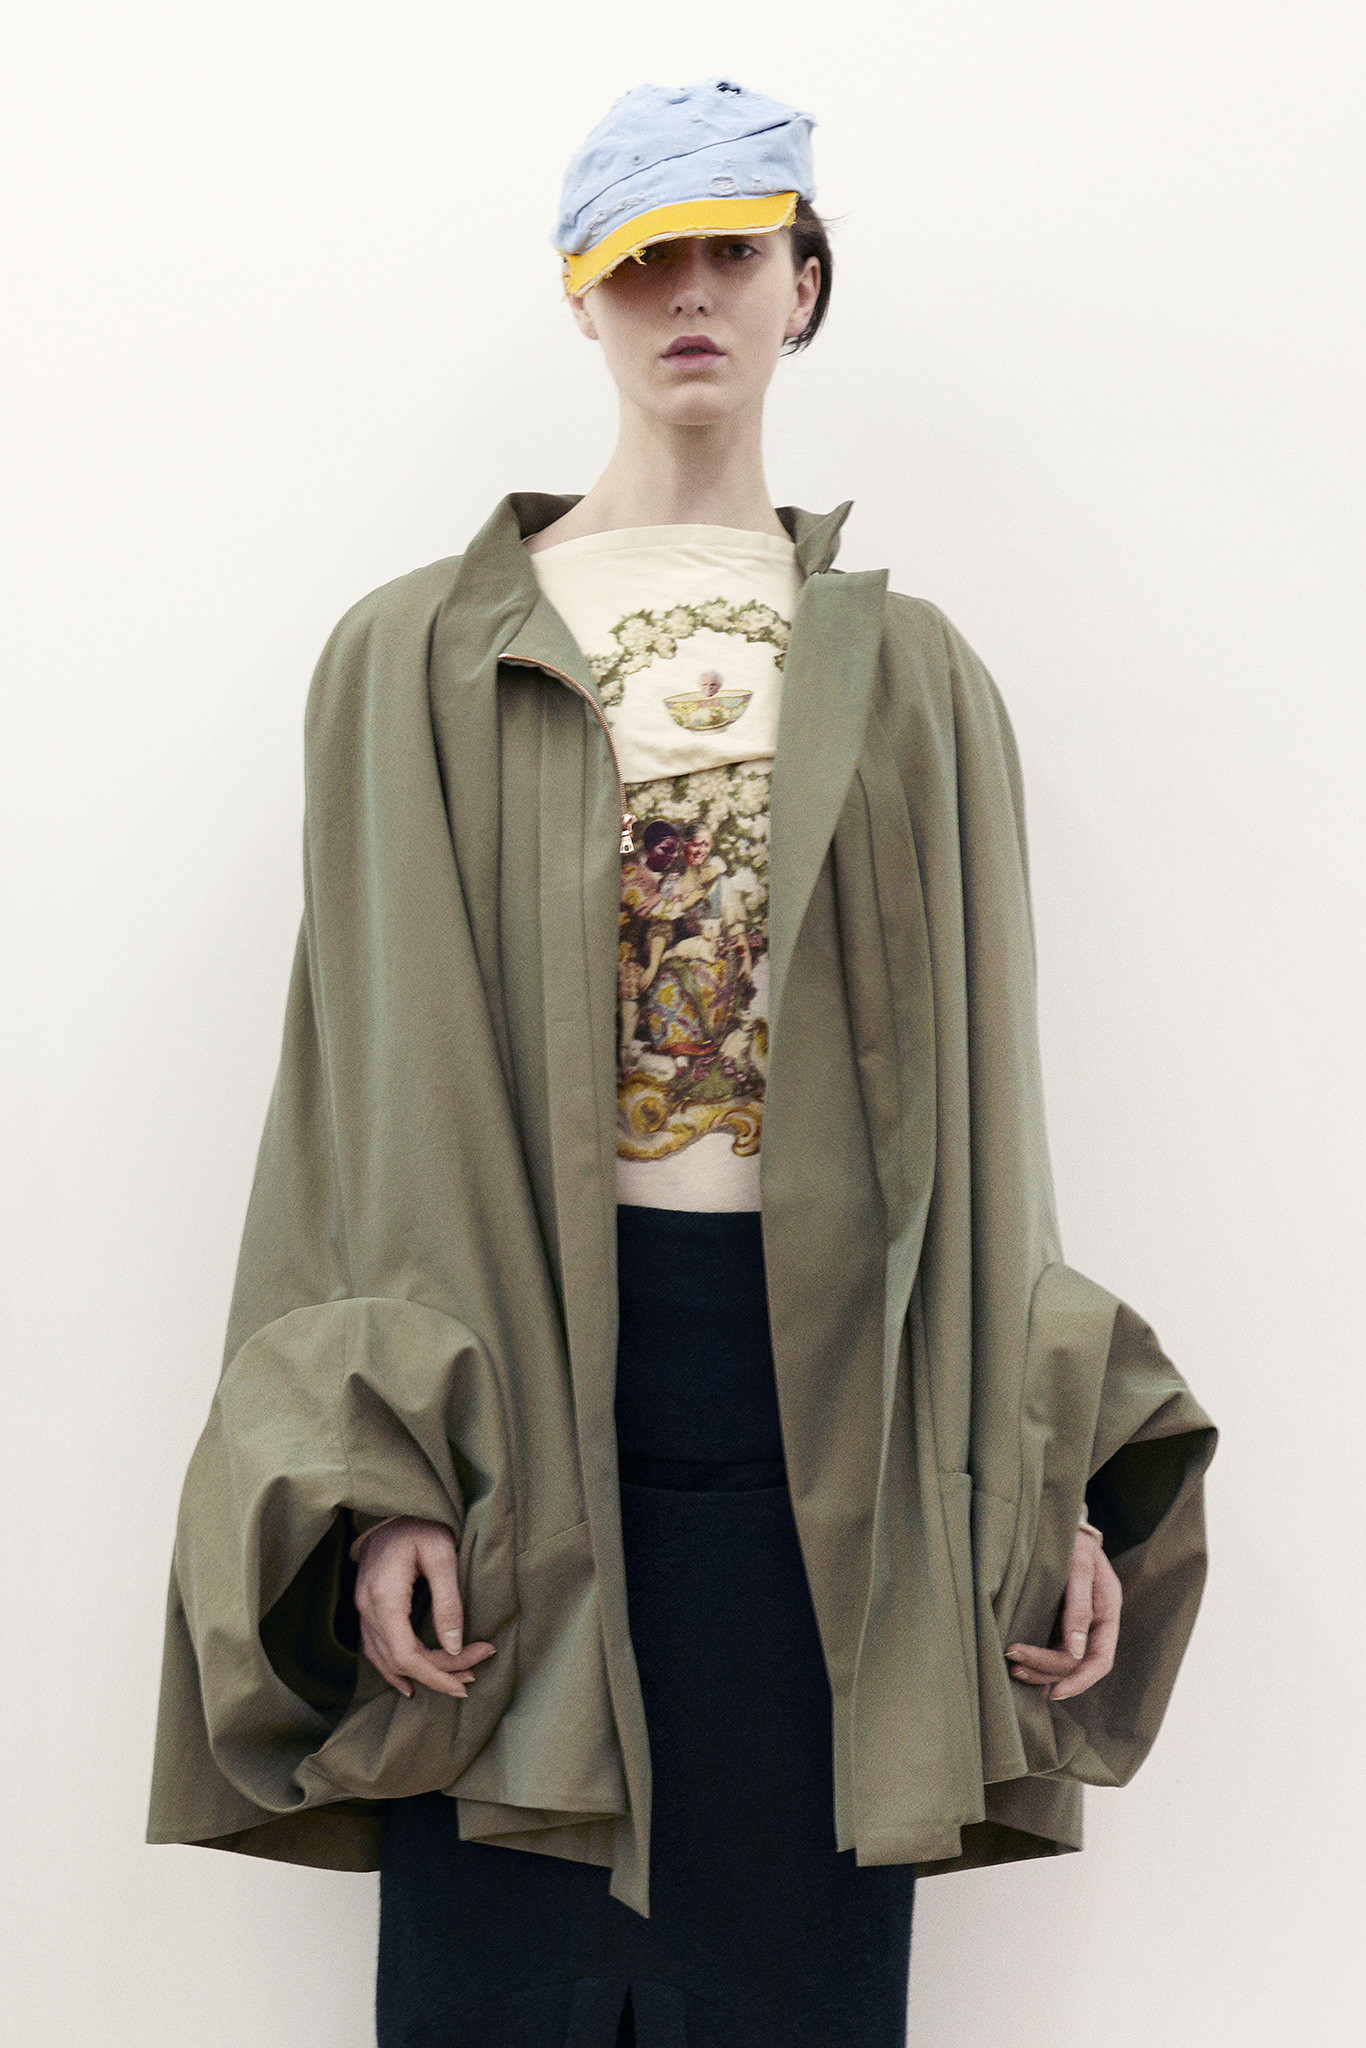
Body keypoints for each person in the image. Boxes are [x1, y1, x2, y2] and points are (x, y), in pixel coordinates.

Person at [148, 76, 1217, 2048]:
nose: (688, 294)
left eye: (731, 248)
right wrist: (387, 1474)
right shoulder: (411, 661)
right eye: (640, 258)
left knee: (793, 1984)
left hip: (832, 1409)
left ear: (802, 285)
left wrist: (1036, 1476)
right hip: (519, 1383)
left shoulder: (915, 681)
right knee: (498, 1982)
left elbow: (988, 1121)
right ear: (579, 293)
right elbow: (369, 1093)